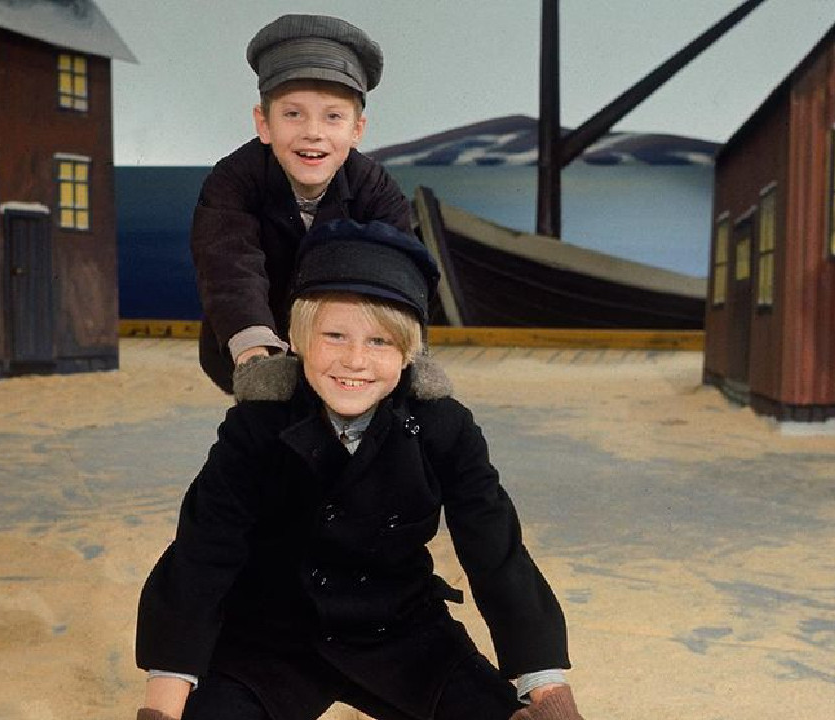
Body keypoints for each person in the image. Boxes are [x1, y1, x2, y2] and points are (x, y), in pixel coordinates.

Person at [136, 220, 586, 720]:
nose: (354, 361)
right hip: (269, 638)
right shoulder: (256, 427)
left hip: (401, 634)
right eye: (334, 335)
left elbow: (495, 550)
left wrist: (546, 688)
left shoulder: (444, 426)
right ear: (299, 337)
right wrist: (165, 702)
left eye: (380, 342)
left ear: (410, 352)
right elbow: (202, 555)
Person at [191, 14, 413, 393]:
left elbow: (403, 275)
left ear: (357, 130)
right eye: (293, 114)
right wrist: (254, 357)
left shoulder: (376, 188)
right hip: (258, 338)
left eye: (333, 117)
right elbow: (230, 268)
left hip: (348, 351)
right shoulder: (232, 180)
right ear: (264, 123)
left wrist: (412, 357)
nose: (313, 133)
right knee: (266, 433)